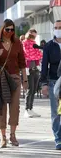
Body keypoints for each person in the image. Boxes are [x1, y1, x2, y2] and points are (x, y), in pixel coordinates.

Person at [0, 19, 27, 148]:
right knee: (1, 107)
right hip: (1, 78)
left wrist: (25, 80)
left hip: (14, 78)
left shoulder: (17, 43)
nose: (9, 32)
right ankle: (2, 137)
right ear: (2, 29)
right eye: (7, 29)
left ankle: (12, 135)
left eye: (12, 29)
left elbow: (22, 63)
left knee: (15, 108)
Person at [41, 20, 61, 150]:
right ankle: (58, 139)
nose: (57, 29)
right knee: (56, 113)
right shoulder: (49, 46)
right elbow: (44, 66)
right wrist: (44, 83)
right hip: (54, 82)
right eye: (56, 27)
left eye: (60, 27)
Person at [22, 30, 42, 118]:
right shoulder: (25, 43)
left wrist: (35, 55)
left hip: (35, 69)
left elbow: (39, 55)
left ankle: (30, 108)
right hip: (28, 69)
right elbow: (27, 54)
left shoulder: (34, 43)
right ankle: (26, 109)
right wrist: (34, 55)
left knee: (34, 90)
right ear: (28, 35)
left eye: (34, 36)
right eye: (31, 36)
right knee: (29, 90)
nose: (33, 38)